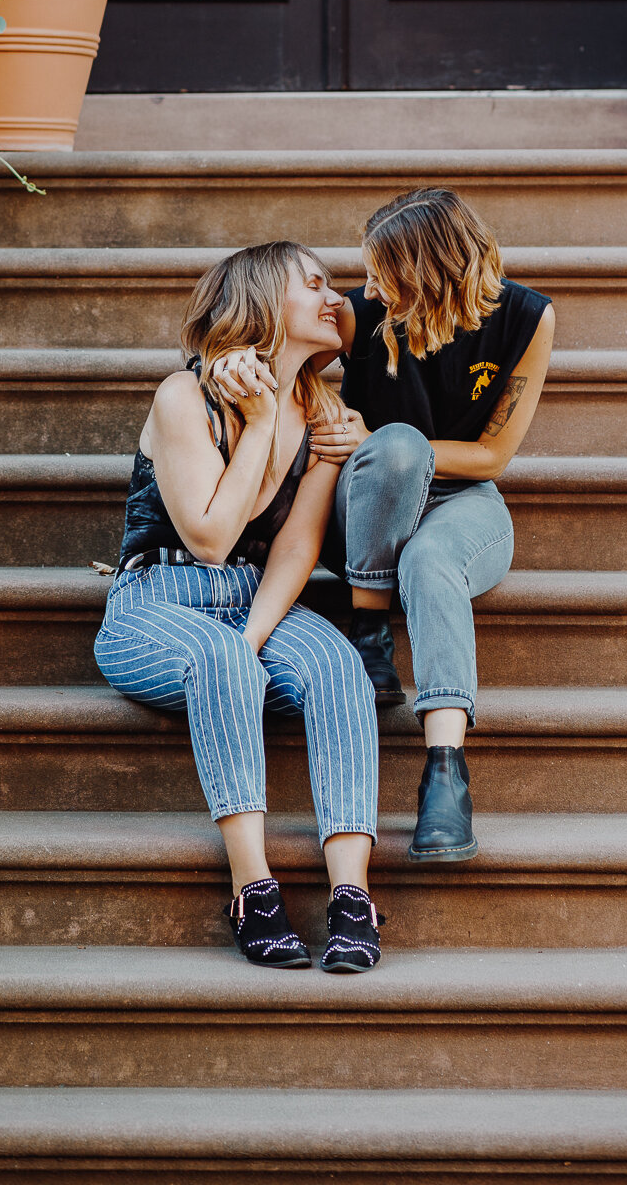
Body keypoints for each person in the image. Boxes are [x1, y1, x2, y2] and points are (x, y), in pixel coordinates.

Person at [217, 189, 552, 863]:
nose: (363, 290)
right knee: (396, 450)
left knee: (429, 556)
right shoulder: (360, 315)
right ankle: (368, 631)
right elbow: (281, 365)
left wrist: (375, 432)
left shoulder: (527, 316)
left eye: (380, 276)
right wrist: (228, 366)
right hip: (366, 505)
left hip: (464, 503)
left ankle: (445, 776)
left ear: (428, 275)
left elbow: (492, 454)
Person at [94, 242, 382, 972]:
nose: (335, 298)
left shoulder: (324, 409)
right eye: (312, 284)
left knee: (340, 665)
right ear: (261, 301)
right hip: (156, 597)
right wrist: (257, 423)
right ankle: (253, 889)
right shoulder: (183, 397)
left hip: (253, 602)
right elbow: (214, 538)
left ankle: (352, 897)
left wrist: (253, 638)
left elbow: (294, 549)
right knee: (221, 656)